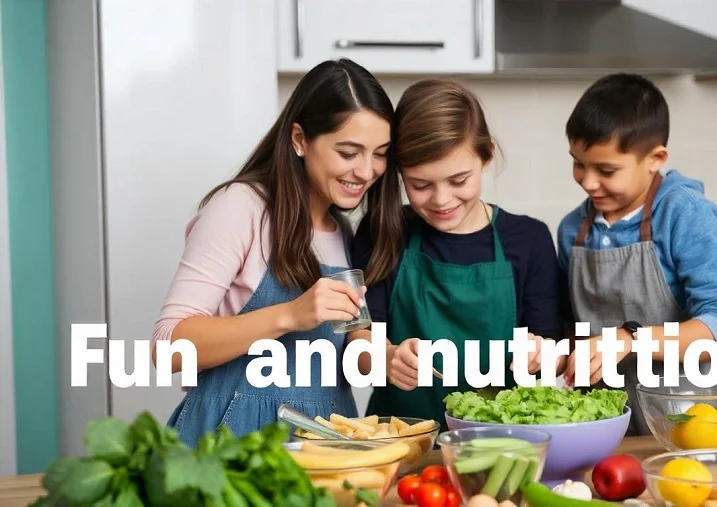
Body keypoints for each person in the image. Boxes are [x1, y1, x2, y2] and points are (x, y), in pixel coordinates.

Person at [151, 59, 404, 448]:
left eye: (380, 154)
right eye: (349, 152)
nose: (367, 171)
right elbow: (169, 348)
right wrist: (289, 314)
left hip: (325, 443)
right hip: (231, 444)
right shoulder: (241, 208)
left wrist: (387, 358)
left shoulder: (345, 231)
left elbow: (352, 341)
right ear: (300, 139)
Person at [349, 78, 565, 430]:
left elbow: (555, 350)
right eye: (420, 185)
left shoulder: (529, 238)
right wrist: (386, 358)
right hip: (399, 439)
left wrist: (542, 353)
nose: (441, 200)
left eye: (459, 180)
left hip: (503, 442)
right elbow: (357, 340)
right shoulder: (381, 232)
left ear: (486, 156)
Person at [557, 73, 717, 436]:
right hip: (605, 430)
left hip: (689, 427)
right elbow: (572, 329)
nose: (587, 181)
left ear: (655, 158)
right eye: (578, 163)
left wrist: (629, 339)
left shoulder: (685, 214)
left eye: (606, 170)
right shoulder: (572, 230)